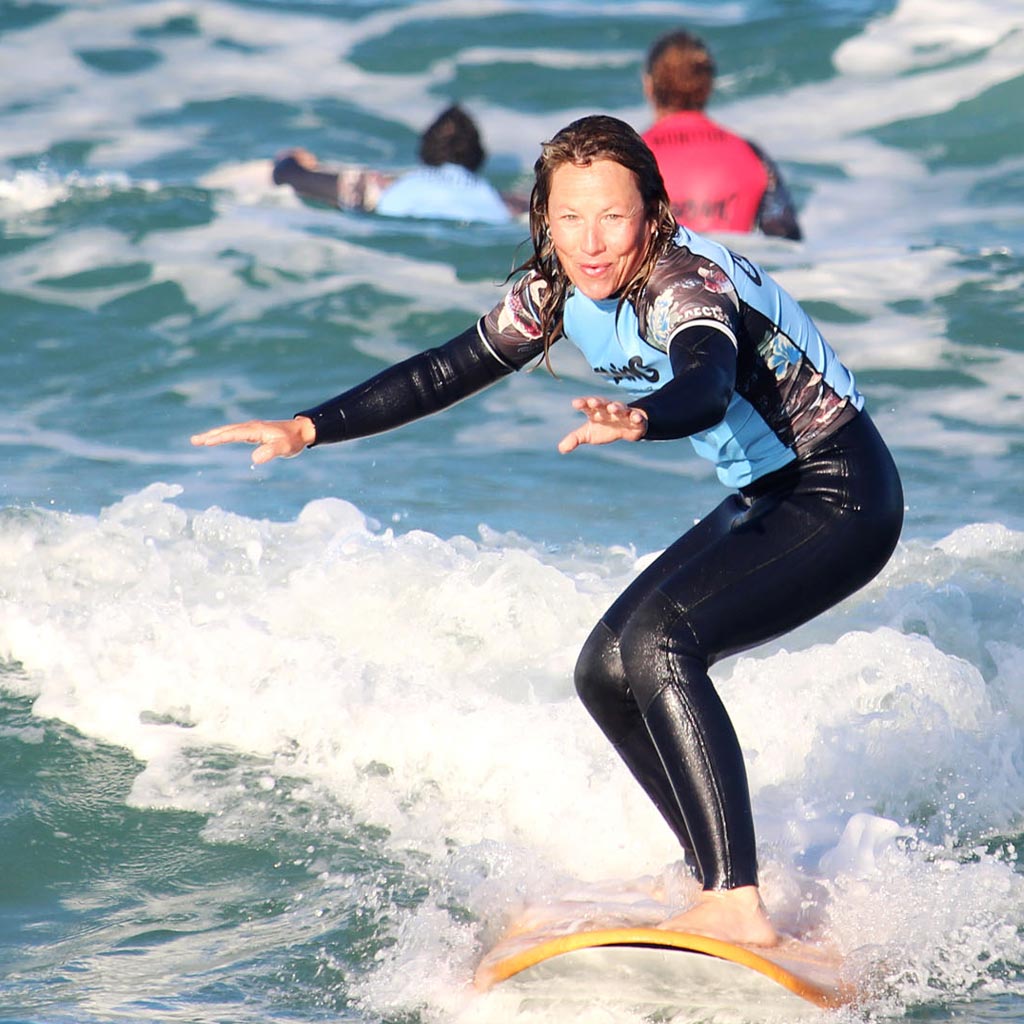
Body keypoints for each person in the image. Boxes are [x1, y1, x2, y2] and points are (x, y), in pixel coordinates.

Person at [192, 114, 903, 946]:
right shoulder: (556, 287)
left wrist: (642, 420)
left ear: (652, 213)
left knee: (662, 646)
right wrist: (309, 427)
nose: (591, 242)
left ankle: (736, 900)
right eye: (569, 218)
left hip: (841, 491)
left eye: (613, 216)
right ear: (544, 218)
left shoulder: (686, 285)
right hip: (767, 492)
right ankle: (709, 871)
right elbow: (445, 368)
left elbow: (706, 380)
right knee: (605, 671)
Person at [642, 30, 802, 240]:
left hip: (658, 271)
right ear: (708, 87)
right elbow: (785, 238)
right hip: (728, 268)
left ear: (649, 85)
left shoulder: (632, 155)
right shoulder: (751, 155)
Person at [271, 104, 525, 225]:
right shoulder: (509, 204)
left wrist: (291, 159)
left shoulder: (376, 188)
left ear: (425, 151)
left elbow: (288, 176)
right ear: (478, 158)